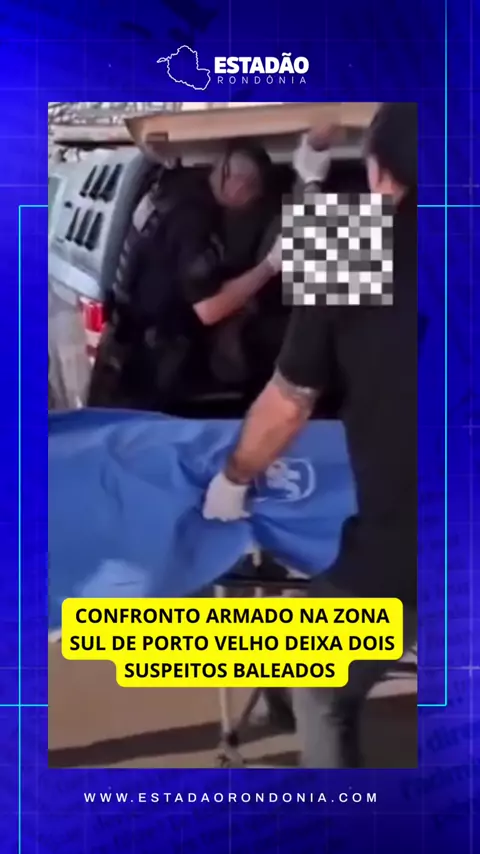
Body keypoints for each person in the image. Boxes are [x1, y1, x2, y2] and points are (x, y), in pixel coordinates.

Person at [202, 103, 418, 768]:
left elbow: (290, 403)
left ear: (378, 173)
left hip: (407, 544)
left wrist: (234, 477)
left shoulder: (353, 243)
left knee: (322, 687)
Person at [88, 141, 282, 411]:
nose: (250, 205)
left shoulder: (174, 190)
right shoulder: (193, 218)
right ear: (238, 184)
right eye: (253, 195)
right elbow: (209, 309)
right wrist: (271, 264)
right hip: (149, 363)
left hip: (132, 347)